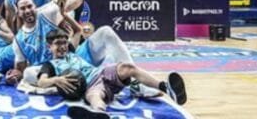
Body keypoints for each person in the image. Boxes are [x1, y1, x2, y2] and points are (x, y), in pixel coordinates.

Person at [37, 30, 187, 119]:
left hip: (102, 73)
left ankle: (166, 88)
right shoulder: (49, 65)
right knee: (94, 96)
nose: (62, 46)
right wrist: (57, 79)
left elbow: (77, 31)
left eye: (64, 42)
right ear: (49, 47)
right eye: (58, 44)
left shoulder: (71, 50)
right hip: (90, 86)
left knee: (128, 67)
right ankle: (98, 114)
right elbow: (41, 82)